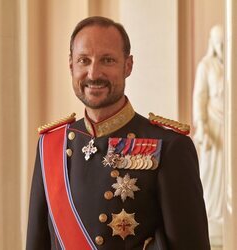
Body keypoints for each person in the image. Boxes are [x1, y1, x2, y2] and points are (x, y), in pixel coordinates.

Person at [26, 16, 210, 250]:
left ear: (128, 65)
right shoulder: (51, 145)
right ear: (71, 65)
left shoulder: (170, 146)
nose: (94, 73)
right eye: (84, 60)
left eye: (107, 60)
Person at [193, 25, 224, 246]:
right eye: (218, 43)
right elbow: (199, 97)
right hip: (214, 126)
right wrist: (202, 126)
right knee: (211, 173)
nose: (221, 47)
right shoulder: (206, 66)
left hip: (230, 127)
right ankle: (214, 217)